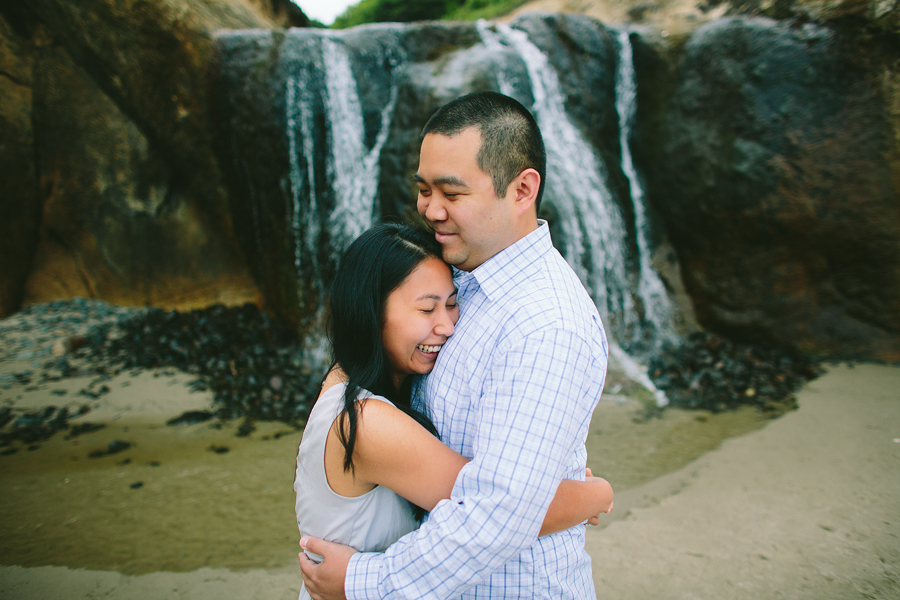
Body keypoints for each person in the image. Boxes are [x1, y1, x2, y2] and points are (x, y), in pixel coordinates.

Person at [299, 91, 610, 599]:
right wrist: (567, 489)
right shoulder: (457, 280)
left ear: (522, 189)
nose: (430, 209)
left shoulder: (544, 324)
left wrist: (362, 581)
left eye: (452, 192)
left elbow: (497, 513)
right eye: (423, 189)